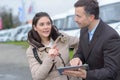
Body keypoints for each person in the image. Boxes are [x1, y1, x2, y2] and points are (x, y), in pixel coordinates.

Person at [63, 0, 120, 80]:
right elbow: (80, 52)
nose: (75, 19)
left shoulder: (110, 36)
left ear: (91, 17)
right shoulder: (83, 30)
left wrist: (86, 75)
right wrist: (77, 58)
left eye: (78, 16)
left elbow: (111, 71)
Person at [26, 12, 80, 80]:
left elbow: (80, 43)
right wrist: (49, 58)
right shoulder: (31, 51)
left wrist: (77, 57)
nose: (46, 27)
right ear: (35, 27)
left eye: (48, 23)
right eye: (41, 24)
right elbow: (37, 77)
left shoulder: (62, 38)